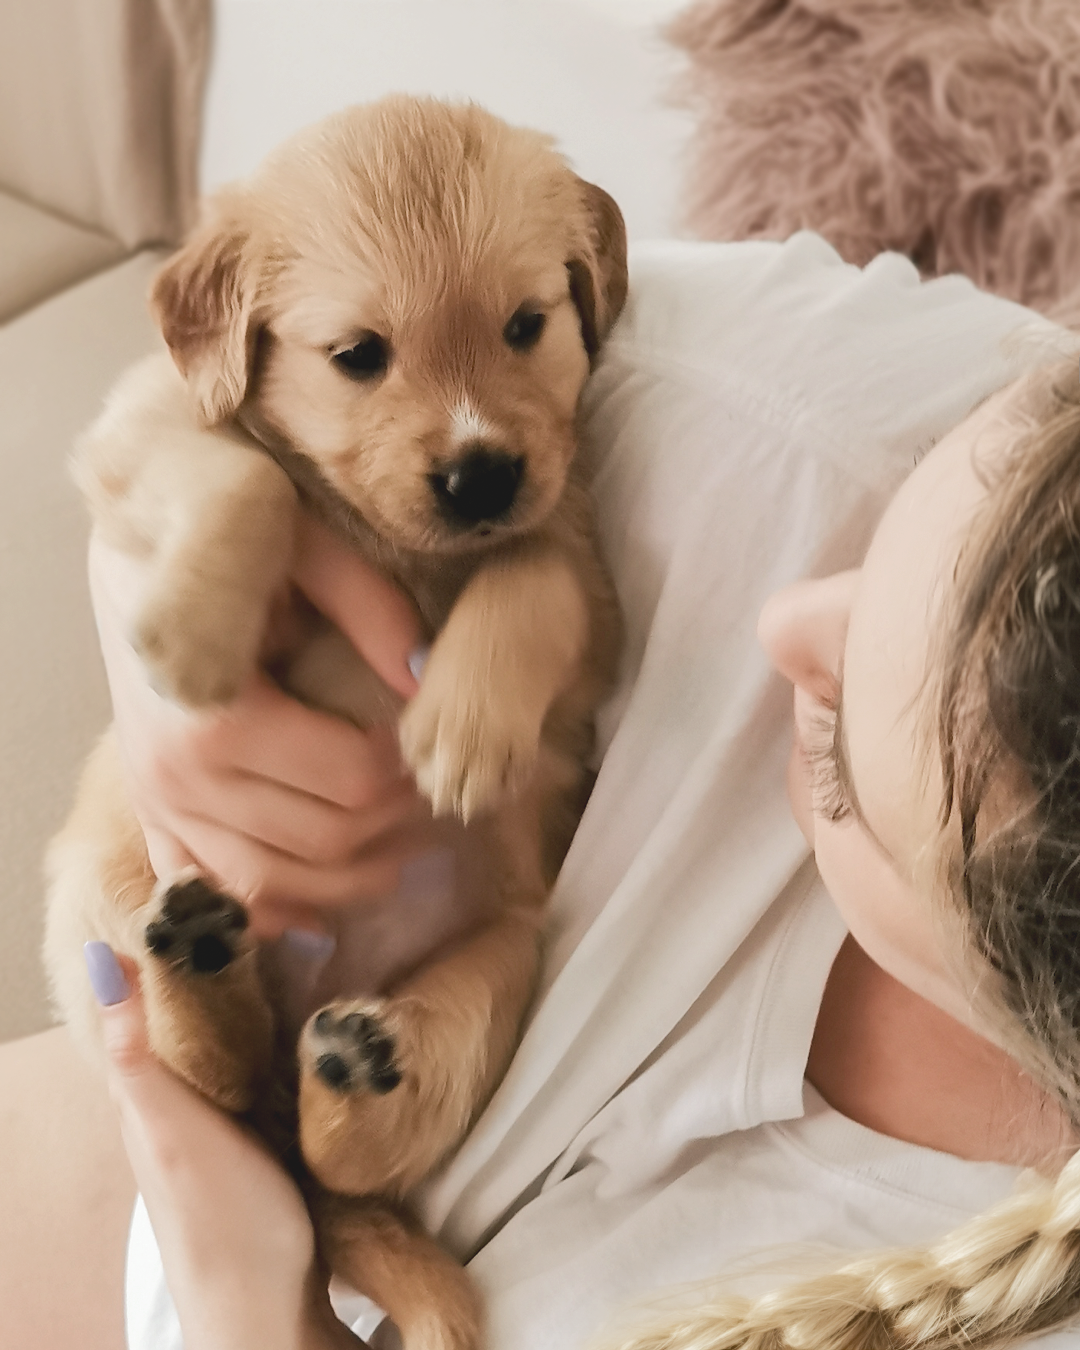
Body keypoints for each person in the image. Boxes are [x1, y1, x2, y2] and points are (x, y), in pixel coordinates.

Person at [13, 232, 1080, 1349]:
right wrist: (184, 607)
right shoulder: (808, 409)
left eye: (840, 760)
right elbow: (224, 374)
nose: (782, 622)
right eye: (920, 514)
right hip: (106, 1135)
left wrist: (252, 1318)